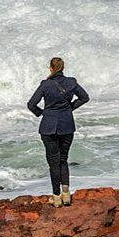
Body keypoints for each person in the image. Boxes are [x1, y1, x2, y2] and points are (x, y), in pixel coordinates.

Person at [26, 57, 90, 206]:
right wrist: (70, 108)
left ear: (50, 68)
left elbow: (31, 104)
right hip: (67, 125)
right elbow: (84, 97)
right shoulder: (72, 82)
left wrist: (42, 113)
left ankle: (56, 197)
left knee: (53, 162)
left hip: (48, 127)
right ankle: (66, 194)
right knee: (63, 160)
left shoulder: (46, 84)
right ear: (63, 68)